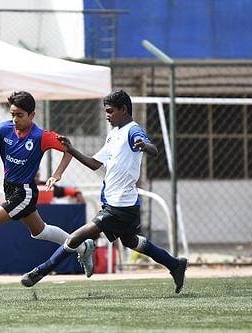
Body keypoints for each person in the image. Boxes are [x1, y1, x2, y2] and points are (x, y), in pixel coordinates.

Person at [21, 90, 188, 293]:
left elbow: (153, 149)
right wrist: (71, 150)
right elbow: (94, 163)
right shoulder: (113, 135)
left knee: (76, 237)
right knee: (130, 241)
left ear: (123, 110)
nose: (106, 115)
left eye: (110, 111)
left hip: (120, 206)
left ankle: (39, 272)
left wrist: (145, 145)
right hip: (118, 203)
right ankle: (174, 264)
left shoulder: (132, 131)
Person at [0, 91, 94, 276]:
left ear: (32, 115)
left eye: (19, 115)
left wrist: (57, 174)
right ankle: (83, 247)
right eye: (12, 114)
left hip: (24, 192)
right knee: (40, 231)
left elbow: (68, 149)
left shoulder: (40, 136)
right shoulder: (2, 129)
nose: (14, 119)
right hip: (9, 188)